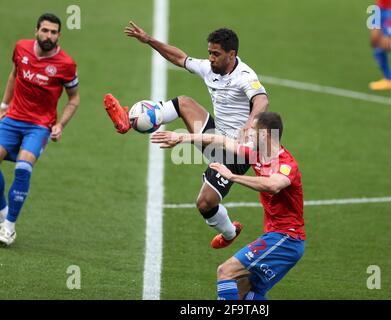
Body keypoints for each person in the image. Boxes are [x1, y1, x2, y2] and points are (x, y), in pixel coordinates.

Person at [104, 22, 269, 248]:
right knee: (184, 103)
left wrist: (251, 122)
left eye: (216, 54)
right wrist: (149, 39)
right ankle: (129, 118)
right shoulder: (210, 68)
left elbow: (261, 100)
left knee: (204, 204)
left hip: (237, 152)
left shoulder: (245, 76)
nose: (210, 58)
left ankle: (230, 233)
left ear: (232, 54)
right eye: (209, 52)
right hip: (216, 135)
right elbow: (180, 58)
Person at [151, 111, 305, 300]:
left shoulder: (286, 164)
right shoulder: (257, 154)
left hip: (286, 239)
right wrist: (181, 137)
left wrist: (232, 176)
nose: (248, 134)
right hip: (277, 237)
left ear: (264, 135)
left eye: (253, 131)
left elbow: (273, 185)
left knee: (225, 272)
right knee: (244, 292)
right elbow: (222, 141)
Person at [0, 13, 80, 246]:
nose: (49, 36)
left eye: (53, 32)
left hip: (39, 125)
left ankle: (10, 228)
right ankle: (3, 213)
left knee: (23, 167)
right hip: (13, 117)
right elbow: (14, 75)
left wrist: (60, 124)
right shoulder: (21, 48)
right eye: (45, 30)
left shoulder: (66, 65)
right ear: (36, 30)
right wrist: (4, 105)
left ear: (59, 35)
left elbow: (74, 99)